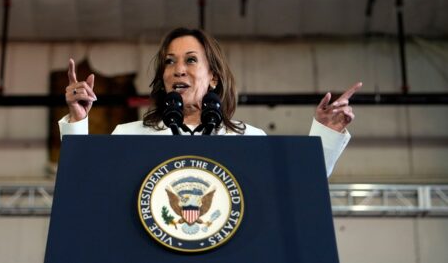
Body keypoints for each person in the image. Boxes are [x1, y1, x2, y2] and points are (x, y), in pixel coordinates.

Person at [59, 27, 362, 177]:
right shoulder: (127, 136)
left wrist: (327, 133)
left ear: (213, 77)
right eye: (169, 62)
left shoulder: (249, 139)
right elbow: (84, 185)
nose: (178, 69)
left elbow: (295, 190)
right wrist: (77, 120)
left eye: (191, 60)